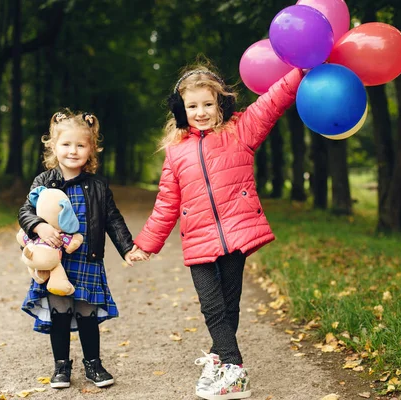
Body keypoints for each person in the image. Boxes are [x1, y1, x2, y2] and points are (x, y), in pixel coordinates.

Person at [130, 63, 305, 399]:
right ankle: (231, 364)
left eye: (208, 104)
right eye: (192, 106)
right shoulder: (176, 151)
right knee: (211, 306)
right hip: (198, 240)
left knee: (229, 304)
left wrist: (301, 70)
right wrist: (147, 244)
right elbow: (166, 203)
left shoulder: (241, 130)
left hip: (236, 233)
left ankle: (223, 362)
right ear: (181, 109)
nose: (200, 112)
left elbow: (272, 101)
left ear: (221, 103)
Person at [19, 109, 135, 390]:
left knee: (87, 313)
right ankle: (61, 366)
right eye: (66, 144)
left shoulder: (97, 185)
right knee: (59, 312)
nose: (73, 151)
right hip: (56, 260)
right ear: (53, 147)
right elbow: (25, 211)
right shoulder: (43, 181)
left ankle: (93, 364)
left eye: (81, 145)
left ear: (91, 150)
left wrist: (128, 247)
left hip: (87, 258)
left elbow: (112, 218)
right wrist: (38, 226)